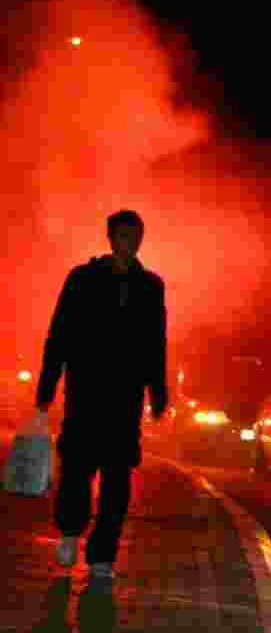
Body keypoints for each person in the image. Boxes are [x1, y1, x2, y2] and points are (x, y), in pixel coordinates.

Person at [35, 210, 168, 579]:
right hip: (85, 397)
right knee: (76, 471)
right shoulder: (82, 279)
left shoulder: (150, 287)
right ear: (111, 239)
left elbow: (155, 343)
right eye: (124, 236)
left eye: (135, 236)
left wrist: (157, 390)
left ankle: (102, 555)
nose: (130, 243)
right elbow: (58, 334)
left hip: (125, 402)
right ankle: (70, 530)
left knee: (117, 482)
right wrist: (47, 387)